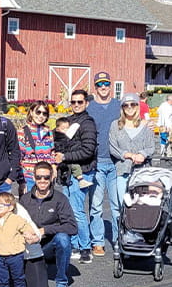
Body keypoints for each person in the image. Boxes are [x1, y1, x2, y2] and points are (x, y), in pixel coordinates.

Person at [19, 162, 78, 287]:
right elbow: (17, 223)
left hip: (49, 246)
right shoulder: (25, 199)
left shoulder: (60, 199)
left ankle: (62, 281)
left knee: (63, 238)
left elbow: (72, 226)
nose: (42, 181)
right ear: (34, 178)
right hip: (30, 246)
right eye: (39, 177)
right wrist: (26, 234)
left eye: (46, 177)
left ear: (51, 178)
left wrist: (44, 230)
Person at [53, 89, 97, 264]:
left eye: (80, 102)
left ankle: (86, 247)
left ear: (86, 103)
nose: (76, 105)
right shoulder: (68, 121)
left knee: (77, 211)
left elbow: (88, 150)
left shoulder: (87, 123)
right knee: (69, 211)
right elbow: (59, 141)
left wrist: (65, 156)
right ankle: (75, 245)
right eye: (73, 102)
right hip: (68, 172)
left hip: (83, 170)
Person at [108, 93, 156, 244]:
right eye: (126, 105)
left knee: (139, 205)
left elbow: (151, 147)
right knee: (122, 204)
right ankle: (121, 238)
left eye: (133, 104)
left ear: (137, 106)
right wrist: (126, 154)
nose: (129, 108)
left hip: (141, 173)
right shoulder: (116, 125)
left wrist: (142, 154)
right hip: (122, 170)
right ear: (122, 108)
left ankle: (138, 236)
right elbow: (113, 147)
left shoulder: (145, 126)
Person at [86, 71, 121, 257]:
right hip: (97, 162)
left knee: (117, 205)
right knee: (96, 205)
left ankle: (118, 240)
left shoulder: (119, 105)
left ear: (110, 84)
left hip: (117, 162)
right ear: (95, 87)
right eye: (100, 84)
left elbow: (132, 122)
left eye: (106, 83)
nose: (103, 87)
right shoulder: (89, 107)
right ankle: (97, 242)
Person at [18, 101, 57, 191]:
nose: (41, 116)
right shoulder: (22, 132)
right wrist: (21, 181)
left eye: (44, 113)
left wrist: (54, 168)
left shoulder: (48, 131)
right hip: (29, 177)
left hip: (46, 177)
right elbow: (19, 158)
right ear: (31, 112)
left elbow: (52, 153)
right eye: (38, 112)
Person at [54, 117, 93, 189]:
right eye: (63, 128)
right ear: (58, 129)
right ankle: (80, 180)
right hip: (63, 159)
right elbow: (61, 148)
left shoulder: (61, 136)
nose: (66, 130)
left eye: (67, 128)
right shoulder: (60, 138)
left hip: (64, 157)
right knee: (75, 166)